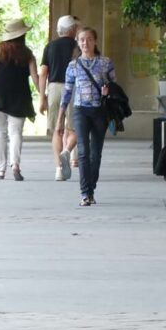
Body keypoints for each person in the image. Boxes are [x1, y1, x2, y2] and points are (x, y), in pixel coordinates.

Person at [0, 19, 39, 181]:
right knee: (16, 132)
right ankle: (15, 164)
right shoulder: (28, 53)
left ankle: (1, 169)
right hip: (20, 95)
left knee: (0, 132)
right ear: (22, 35)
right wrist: (43, 95)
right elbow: (35, 77)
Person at [58, 27, 115, 206]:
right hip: (80, 111)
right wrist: (60, 118)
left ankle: (91, 187)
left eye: (89, 39)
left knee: (95, 154)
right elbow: (67, 93)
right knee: (83, 152)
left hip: (100, 112)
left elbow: (114, 87)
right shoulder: (73, 66)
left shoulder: (105, 63)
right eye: (82, 39)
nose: (85, 43)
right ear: (78, 42)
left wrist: (108, 90)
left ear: (95, 41)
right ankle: (85, 193)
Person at [38, 14, 80, 181]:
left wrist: (42, 97)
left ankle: (58, 170)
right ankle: (67, 151)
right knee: (76, 128)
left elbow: (43, 73)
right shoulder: (78, 46)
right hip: (75, 88)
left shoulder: (50, 46)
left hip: (54, 88)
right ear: (72, 30)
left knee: (57, 130)